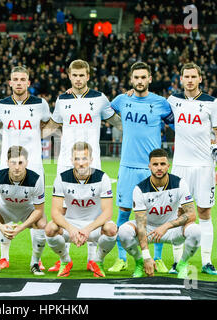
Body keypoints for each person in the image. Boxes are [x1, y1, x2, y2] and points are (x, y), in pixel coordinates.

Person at [43, 59, 122, 272]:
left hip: (92, 160)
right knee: (66, 208)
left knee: (94, 208)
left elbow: (116, 120)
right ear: (69, 76)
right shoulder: (62, 100)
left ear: (88, 76)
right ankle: (64, 258)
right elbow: (52, 125)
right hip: (66, 161)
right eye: (74, 75)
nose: (78, 79)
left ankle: (92, 259)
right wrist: (30, 136)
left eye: (82, 75)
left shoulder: (100, 99)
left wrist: (134, 126)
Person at [108, 62, 174, 273]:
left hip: (152, 168)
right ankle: (121, 258)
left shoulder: (161, 103)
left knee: (156, 214)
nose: (139, 81)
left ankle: (157, 258)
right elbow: (103, 110)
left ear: (150, 79)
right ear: (131, 79)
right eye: (136, 77)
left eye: (143, 77)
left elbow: (176, 125)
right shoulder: (121, 100)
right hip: (127, 165)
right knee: (124, 211)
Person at [167, 62, 217, 276]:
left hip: (204, 166)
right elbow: (151, 105)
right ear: (181, 79)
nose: (190, 80)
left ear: (200, 79)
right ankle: (177, 262)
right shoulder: (172, 101)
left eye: (194, 76)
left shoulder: (211, 103)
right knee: (180, 212)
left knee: (204, 211)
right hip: (180, 165)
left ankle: (206, 261)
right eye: (186, 76)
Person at [0, 66, 50, 270]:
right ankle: (4, 256)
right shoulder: (0, 105)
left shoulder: (41, 104)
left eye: (22, 79)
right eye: (15, 79)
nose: (18, 82)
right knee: (2, 207)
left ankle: (37, 258)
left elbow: (49, 124)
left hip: (34, 163)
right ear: (10, 83)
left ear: (28, 82)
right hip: (6, 165)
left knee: (37, 212)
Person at [118, 148, 201, 279]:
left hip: (171, 229)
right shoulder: (139, 189)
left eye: (162, 164)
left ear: (168, 165)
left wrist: (166, 226)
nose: (159, 168)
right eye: (155, 164)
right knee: (123, 231)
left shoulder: (180, 183)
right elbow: (140, 225)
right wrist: (146, 257)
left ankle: (182, 264)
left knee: (196, 231)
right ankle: (139, 262)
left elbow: (191, 215)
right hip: (148, 229)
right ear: (149, 166)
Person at [45, 141, 117, 278]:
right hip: (70, 225)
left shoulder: (102, 177)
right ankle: (65, 261)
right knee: (50, 229)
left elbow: (108, 212)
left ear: (91, 160)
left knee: (111, 229)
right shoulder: (61, 178)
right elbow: (55, 212)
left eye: (84, 158)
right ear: (72, 160)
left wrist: (87, 230)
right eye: (77, 159)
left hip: (94, 226)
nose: (81, 163)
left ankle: (98, 261)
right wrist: (71, 229)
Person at [0, 146, 47, 276]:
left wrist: (20, 228)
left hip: (27, 210)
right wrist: (0, 226)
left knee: (42, 224)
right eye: (13, 163)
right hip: (5, 209)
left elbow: (39, 210)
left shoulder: (36, 179)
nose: (17, 167)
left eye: (20, 163)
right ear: (7, 162)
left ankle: (35, 263)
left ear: (26, 163)